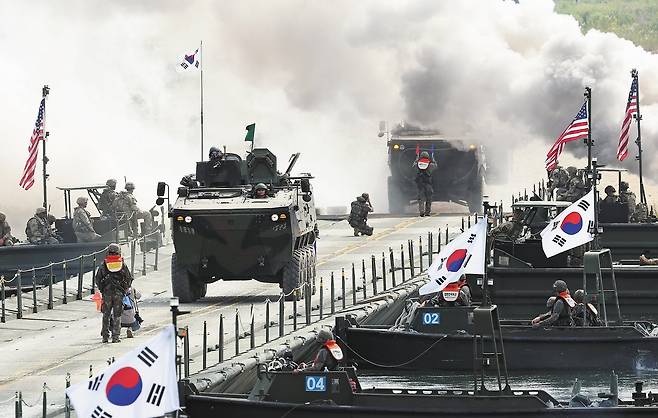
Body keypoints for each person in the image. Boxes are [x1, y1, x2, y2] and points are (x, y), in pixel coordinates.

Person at [95, 243, 133, 343]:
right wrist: (125, 289)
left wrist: (102, 289)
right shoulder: (122, 264)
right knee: (117, 315)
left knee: (106, 315)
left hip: (107, 293)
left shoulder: (104, 264)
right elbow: (129, 278)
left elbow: (98, 279)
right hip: (119, 293)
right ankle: (115, 337)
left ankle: (105, 336)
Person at [413, 151, 437, 217]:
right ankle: (427, 212)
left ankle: (421, 212)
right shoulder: (430, 165)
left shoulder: (418, 164)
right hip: (428, 184)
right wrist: (433, 159)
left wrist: (416, 159)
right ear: (427, 156)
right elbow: (435, 166)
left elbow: (413, 166)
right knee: (428, 199)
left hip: (420, 184)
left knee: (421, 199)